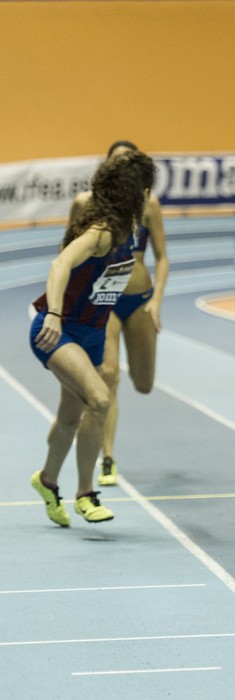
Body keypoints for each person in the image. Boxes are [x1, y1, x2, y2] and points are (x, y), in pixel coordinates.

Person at [29, 150, 154, 527]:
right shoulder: (101, 232)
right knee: (99, 399)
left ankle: (47, 481)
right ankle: (86, 494)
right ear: (134, 192)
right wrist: (52, 312)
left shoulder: (129, 229)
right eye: (145, 189)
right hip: (59, 331)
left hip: (92, 334)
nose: (149, 195)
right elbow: (60, 264)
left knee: (70, 417)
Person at [67, 141, 169, 489]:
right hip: (103, 300)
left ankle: (105, 453)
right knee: (107, 375)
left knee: (143, 383)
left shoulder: (148, 204)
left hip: (139, 298)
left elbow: (163, 257)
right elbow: (67, 253)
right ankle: (107, 458)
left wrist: (157, 300)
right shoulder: (85, 204)